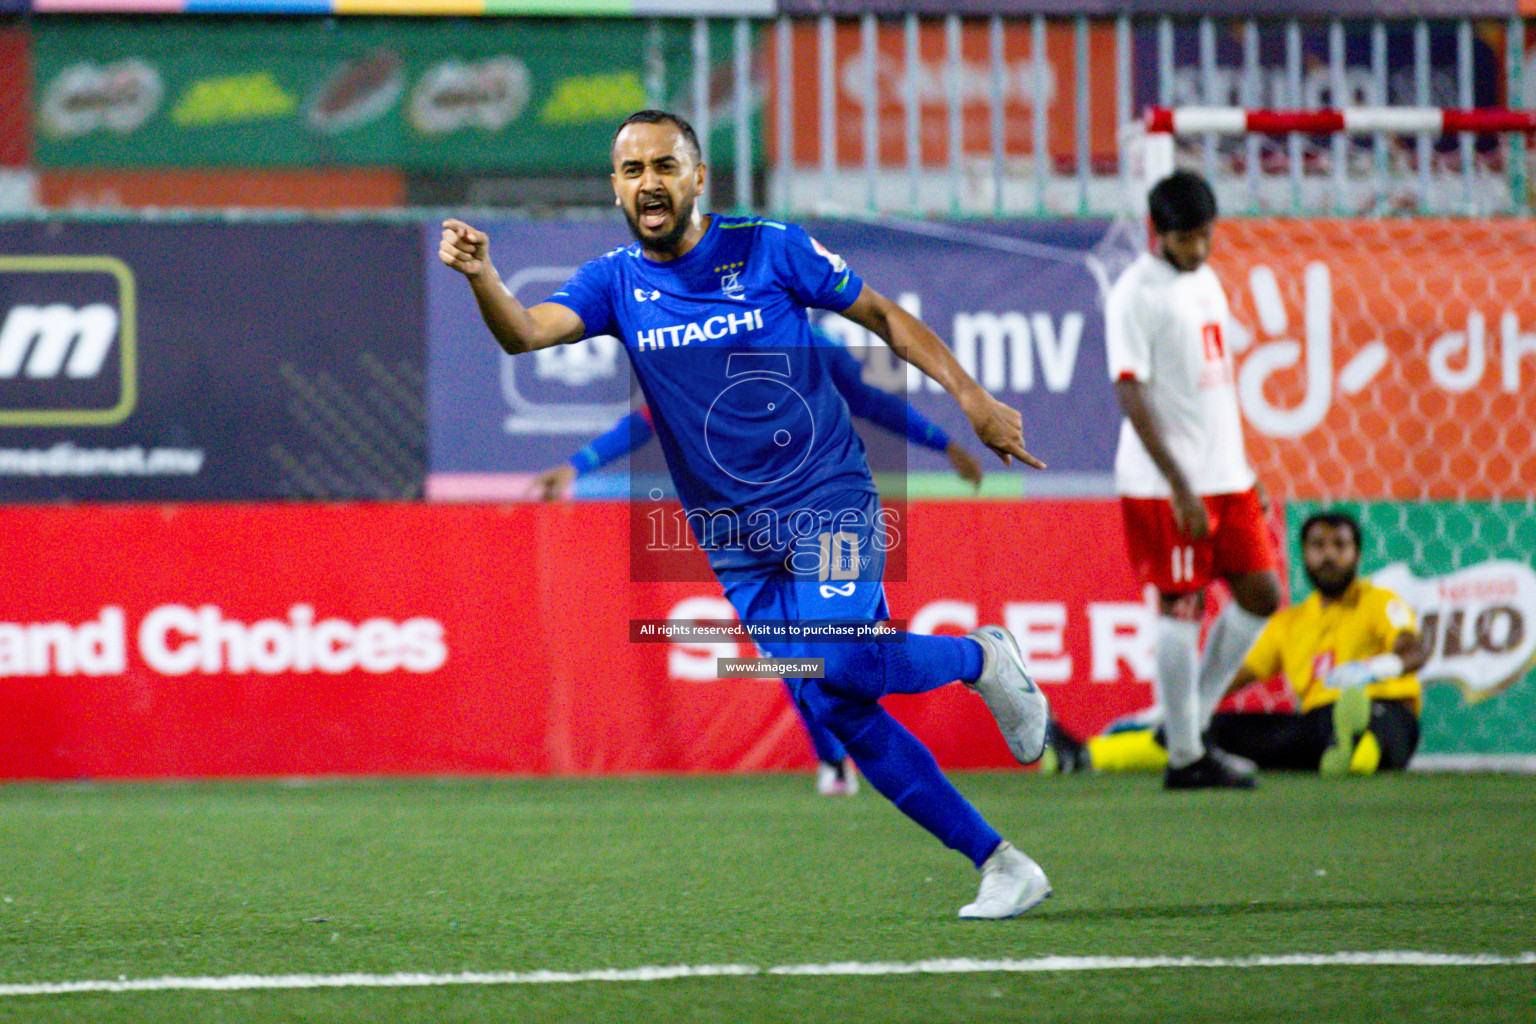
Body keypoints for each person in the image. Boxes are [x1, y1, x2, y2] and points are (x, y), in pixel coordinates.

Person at [440, 109, 1053, 919]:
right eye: (632, 171)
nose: (649, 183)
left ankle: (981, 658)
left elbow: (884, 319)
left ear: (699, 178)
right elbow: (524, 333)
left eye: (665, 166)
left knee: (837, 666)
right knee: (837, 702)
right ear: (616, 188)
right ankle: (1001, 864)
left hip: (828, 501)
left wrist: (971, 398)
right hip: (735, 543)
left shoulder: (771, 247)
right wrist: (485, 276)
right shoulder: (614, 281)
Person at [527, 332, 986, 798]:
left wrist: (943, 443)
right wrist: (577, 465)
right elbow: (648, 420)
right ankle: (834, 759)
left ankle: (975, 662)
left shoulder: (815, 346)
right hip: (749, 532)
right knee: (791, 657)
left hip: (824, 514)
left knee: (842, 656)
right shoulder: (710, 350)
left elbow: (871, 402)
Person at [1104, 168, 1283, 790]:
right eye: (1189, 239)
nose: (1201, 249)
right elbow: (1130, 394)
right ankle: (1185, 757)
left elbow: (1212, 389)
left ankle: (1186, 722)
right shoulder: (1135, 293)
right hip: (1164, 483)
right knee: (1182, 606)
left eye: (1208, 236)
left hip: (1225, 475)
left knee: (1262, 594)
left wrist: (1241, 466)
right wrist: (1180, 484)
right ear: (1162, 233)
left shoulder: (1205, 281)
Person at [1045, 511, 1427, 777]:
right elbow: (1227, 679)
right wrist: (1179, 713)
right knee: (1213, 731)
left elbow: (1415, 650)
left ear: (1357, 555)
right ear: (1303, 554)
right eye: (1318, 545)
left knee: (1379, 729)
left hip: (1387, 708)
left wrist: (1371, 670)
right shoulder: (1289, 623)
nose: (1328, 555)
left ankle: (1356, 749)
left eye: (1339, 545)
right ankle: (1086, 755)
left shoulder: (1380, 601)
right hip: (1316, 726)